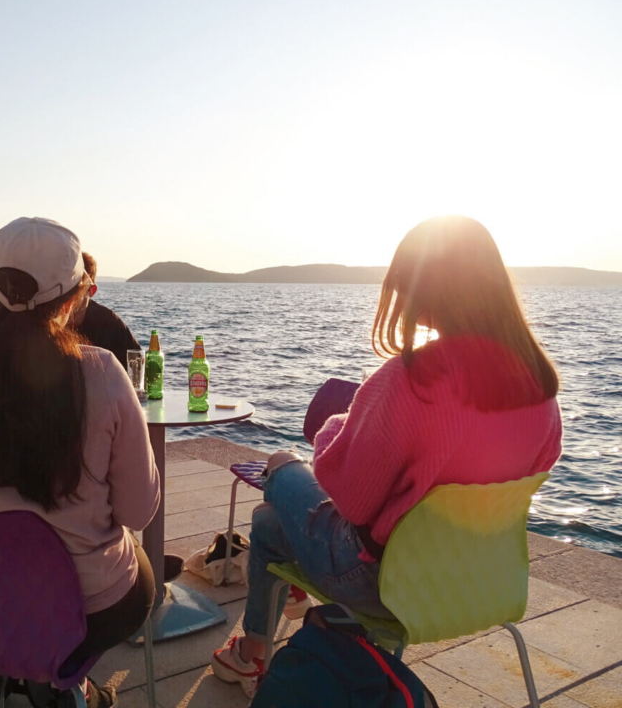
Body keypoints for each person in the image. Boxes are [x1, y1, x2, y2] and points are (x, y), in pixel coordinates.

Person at [211, 215, 563, 698]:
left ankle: (255, 652)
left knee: (280, 472)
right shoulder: (541, 390)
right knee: (271, 523)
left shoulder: (411, 379)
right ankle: (266, 641)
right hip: (479, 580)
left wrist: (339, 427)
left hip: (385, 582)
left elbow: (352, 501)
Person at [0, 217, 160, 708]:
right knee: (139, 575)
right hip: (87, 608)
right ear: (73, 301)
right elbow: (138, 513)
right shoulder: (105, 375)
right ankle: (62, 682)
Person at [71, 252, 142, 370]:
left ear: (91, 291)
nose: (69, 294)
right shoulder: (49, 319)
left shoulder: (109, 323)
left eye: (76, 287)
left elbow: (138, 364)